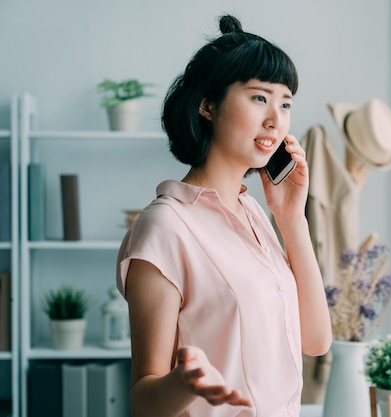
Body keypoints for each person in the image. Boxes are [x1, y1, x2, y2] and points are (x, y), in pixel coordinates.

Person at [116, 14, 332, 417]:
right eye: (259, 97)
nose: (275, 118)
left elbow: (316, 341)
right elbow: (143, 400)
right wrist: (185, 382)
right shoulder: (164, 227)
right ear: (208, 105)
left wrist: (291, 218)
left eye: (285, 103)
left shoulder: (254, 212)